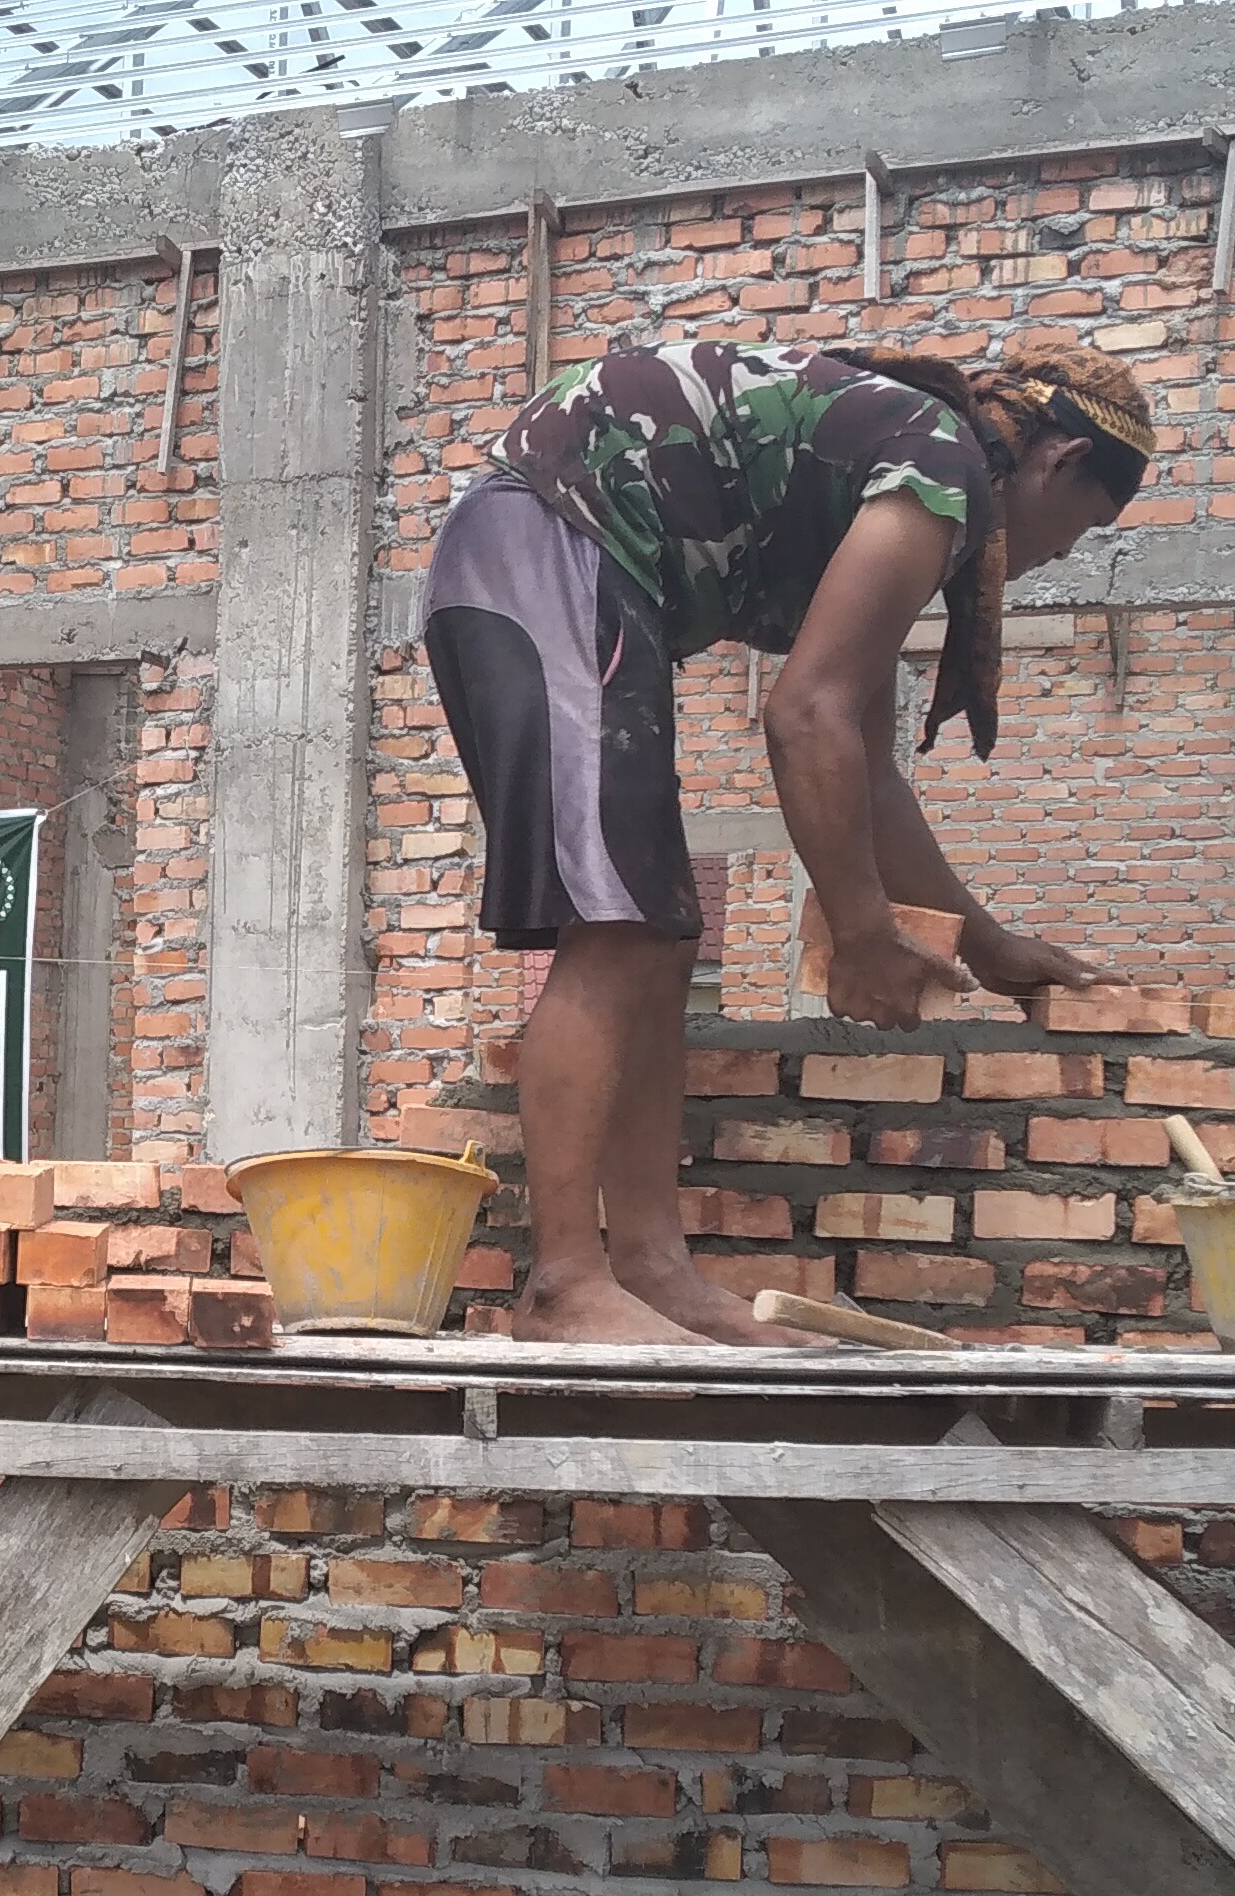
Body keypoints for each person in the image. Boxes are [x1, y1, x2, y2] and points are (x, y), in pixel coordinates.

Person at [423, 340, 1155, 1347]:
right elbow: (805, 717)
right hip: (544, 544)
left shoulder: (903, 471)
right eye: (1083, 527)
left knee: (659, 935)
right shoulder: (939, 466)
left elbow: (863, 767)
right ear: (1060, 461)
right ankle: (563, 1285)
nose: (1061, 555)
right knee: (619, 931)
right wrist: (860, 935)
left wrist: (986, 945)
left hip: (552, 560)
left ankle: (651, 1272)